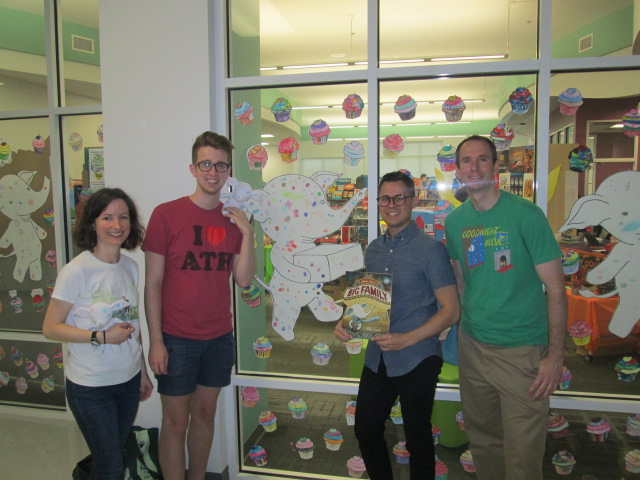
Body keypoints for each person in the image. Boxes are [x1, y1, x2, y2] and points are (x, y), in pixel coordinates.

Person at [444, 135, 567, 479]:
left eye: (482, 159)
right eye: (466, 161)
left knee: (523, 455)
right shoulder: (455, 222)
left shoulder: (526, 215)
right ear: (457, 170)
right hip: (473, 348)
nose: (474, 168)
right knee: (484, 444)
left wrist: (555, 356)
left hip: (521, 351)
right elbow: (463, 284)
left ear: (496, 166)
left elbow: (556, 289)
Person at [143, 131, 256, 480]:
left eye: (220, 165)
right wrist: (156, 341)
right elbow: (152, 283)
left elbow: (243, 279)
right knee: (175, 421)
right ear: (192, 168)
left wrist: (248, 233)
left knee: (205, 416)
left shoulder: (233, 220)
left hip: (218, 337)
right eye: (205, 164)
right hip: (176, 338)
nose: (213, 171)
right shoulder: (166, 214)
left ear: (228, 171)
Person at [335, 171, 460, 480]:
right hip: (378, 356)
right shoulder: (374, 248)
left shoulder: (431, 249)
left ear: (413, 201)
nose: (392, 205)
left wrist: (408, 339)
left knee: (418, 438)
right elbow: (370, 299)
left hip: (417, 356)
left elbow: (451, 311)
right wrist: (348, 321)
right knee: (366, 428)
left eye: (399, 198)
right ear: (378, 202)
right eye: (385, 199)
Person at [43, 187, 153, 480]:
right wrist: (101, 337)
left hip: (128, 380)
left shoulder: (130, 267)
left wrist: (142, 371)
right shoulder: (76, 271)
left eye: (123, 217)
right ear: (92, 223)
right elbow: (51, 327)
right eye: (107, 217)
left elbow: (132, 323)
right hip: (91, 386)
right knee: (112, 466)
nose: (116, 225)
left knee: (109, 462)